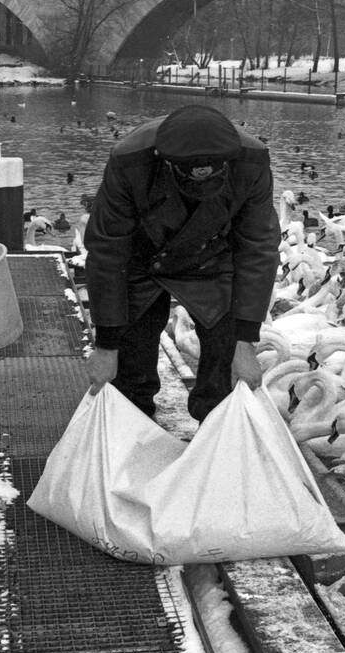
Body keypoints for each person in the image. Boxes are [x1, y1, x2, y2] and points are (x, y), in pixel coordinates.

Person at [83, 104, 279, 421]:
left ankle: (214, 431)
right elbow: (107, 250)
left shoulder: (252, 162)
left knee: (225, 361)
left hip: (212, 257)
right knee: (130, 359)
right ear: (167, 164)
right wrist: (106, 346)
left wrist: (245, 342)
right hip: (142, 257)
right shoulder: (130, 160)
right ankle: (134, 424)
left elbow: (258, 248)